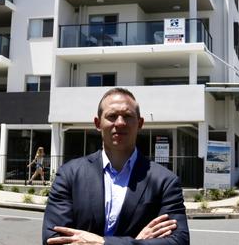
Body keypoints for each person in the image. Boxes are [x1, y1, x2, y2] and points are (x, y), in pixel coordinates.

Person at [42, 87, 189, 244]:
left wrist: (102, 243)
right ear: (98, 123)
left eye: (127, 116)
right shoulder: (70, 175)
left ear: (140, 123)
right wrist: (136, 242)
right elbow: (53, 240)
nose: (120, 123)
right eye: (112, 116)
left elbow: (178, 241)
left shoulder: (165, 181)